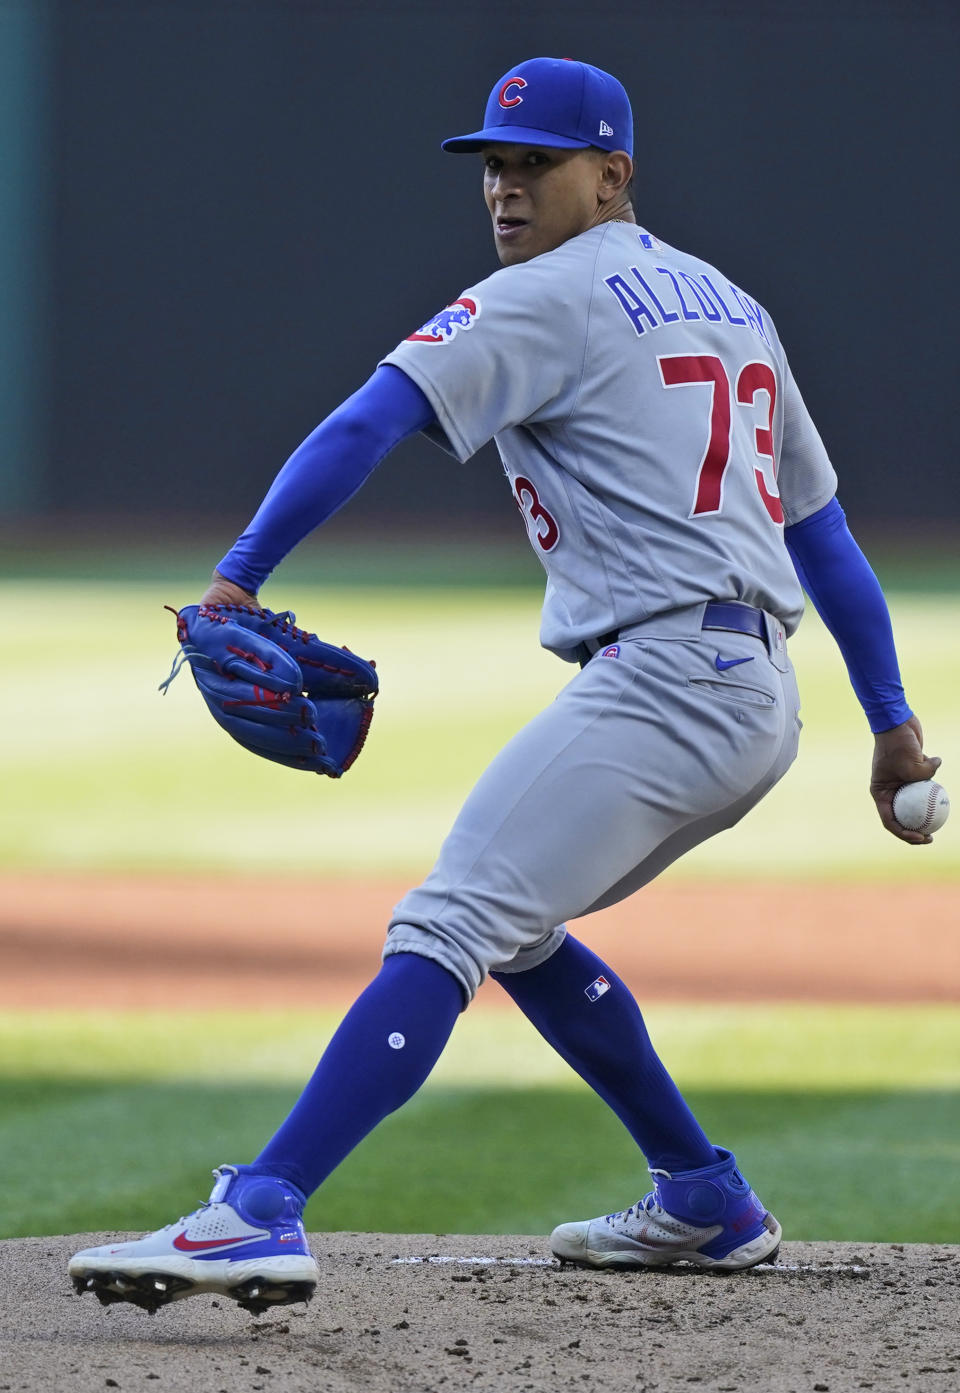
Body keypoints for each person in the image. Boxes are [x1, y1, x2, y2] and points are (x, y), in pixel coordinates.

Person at [70, 57, 941, 1313]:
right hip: (749, 693)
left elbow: (364, 421)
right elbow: (827, 536)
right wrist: (893, 723)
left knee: (449, 922)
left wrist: (237, 578)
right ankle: (702, 1193)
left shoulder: (544, 299)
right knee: (518, 930)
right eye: (493, 165)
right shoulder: (733, 303)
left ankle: (259, 1210)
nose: (505, 188)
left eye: (535, 163)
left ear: (613, 174)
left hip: (664, 684)